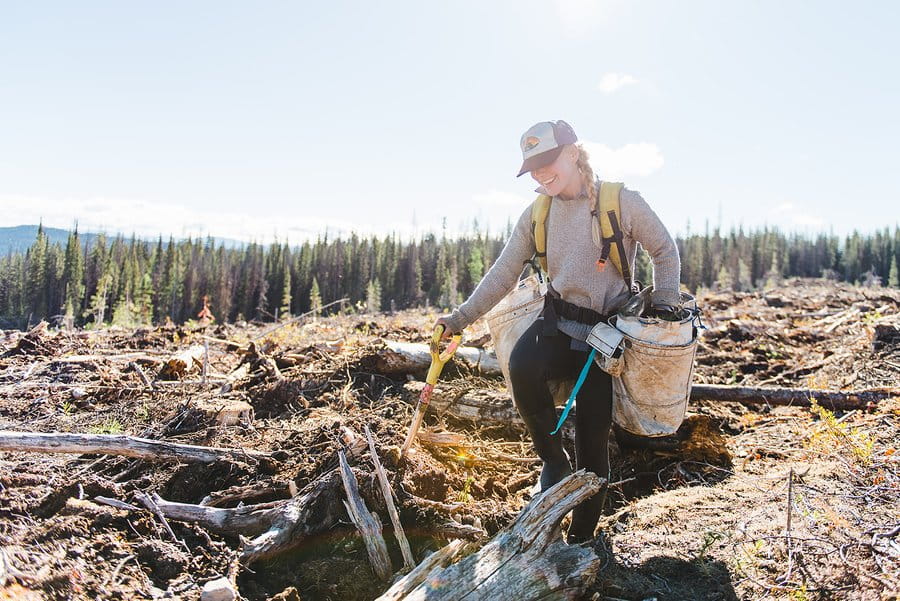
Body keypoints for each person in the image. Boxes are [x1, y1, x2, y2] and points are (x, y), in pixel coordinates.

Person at [437, 120, 681, 543]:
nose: (540, 174)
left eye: (546, 162)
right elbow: (503, 274)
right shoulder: (539, 212)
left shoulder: (620, 202)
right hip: (556, 322)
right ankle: (552, 459)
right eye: (532, 167)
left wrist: (664, 304)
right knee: (520, 364)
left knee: (593, 439)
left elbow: (664, 249)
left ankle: (582, 538)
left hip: (605, 337)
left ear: (572, 153)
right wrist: (458, 319)